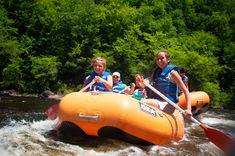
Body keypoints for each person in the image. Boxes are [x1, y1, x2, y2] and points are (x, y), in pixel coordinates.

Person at [136, 50, 192, 117]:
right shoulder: (156, 72)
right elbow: (146, 83)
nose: (159, 61)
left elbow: (186, 91)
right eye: (157, 59)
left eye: (162, 58)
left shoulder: (173, 73)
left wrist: (189, 109)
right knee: (138, 100)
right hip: (156, 101)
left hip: (168, 104)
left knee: (141, 102)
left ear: (168, 59)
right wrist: (141, 83)